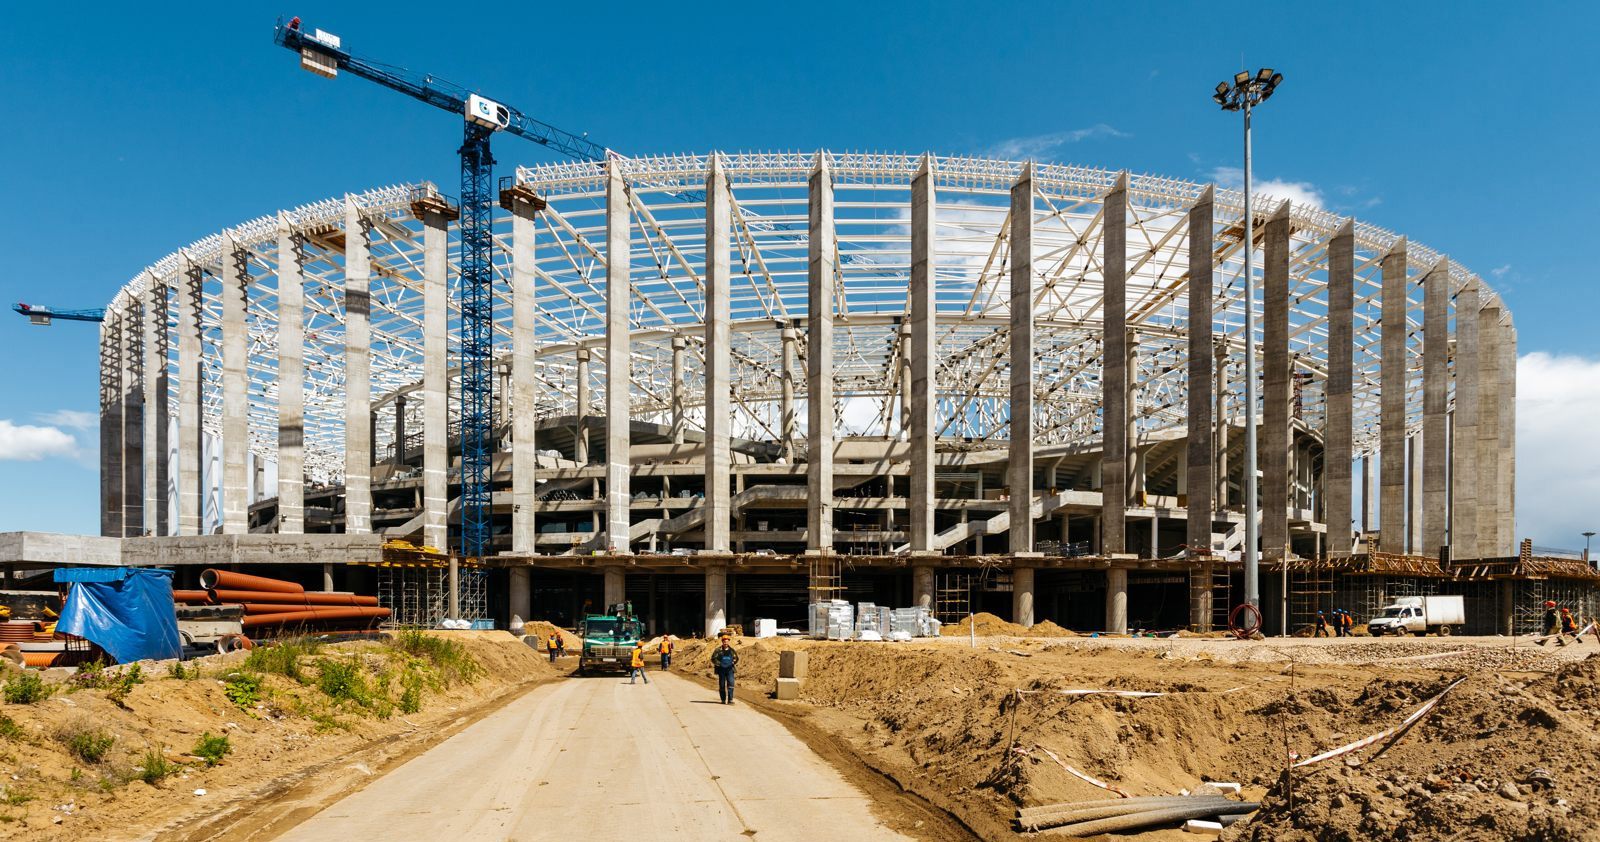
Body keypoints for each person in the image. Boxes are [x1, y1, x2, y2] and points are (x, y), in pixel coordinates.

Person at [712, 636, 739, 705]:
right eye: (724, 641)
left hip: (730, 670)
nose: (725, 643)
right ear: (722, 642)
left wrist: (733, 662)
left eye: (727, 641)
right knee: (722, 685)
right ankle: (723, 700)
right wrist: (719, 664)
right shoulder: (718, 650)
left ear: (728, 642)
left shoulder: (732, 650)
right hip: (721, 670)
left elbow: (736, 658)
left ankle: (730, 700)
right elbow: (713, 658)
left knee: (731, 684)